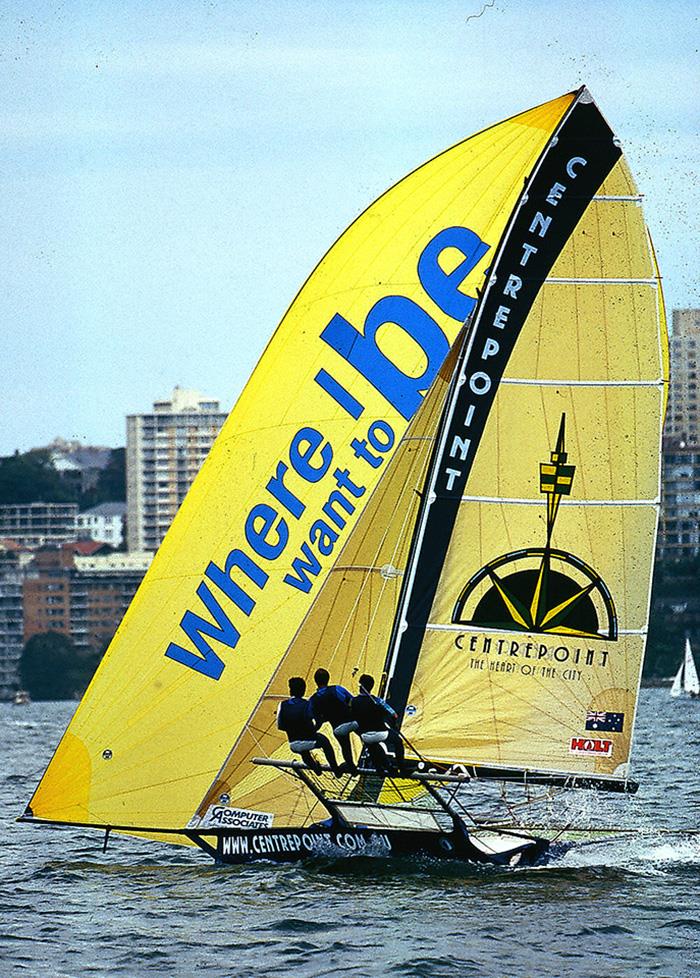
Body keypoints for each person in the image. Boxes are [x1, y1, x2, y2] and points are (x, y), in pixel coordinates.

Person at [277, 676, 340, 775]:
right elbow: (318, 720)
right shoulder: (307, 704)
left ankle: (316, 769)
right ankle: (335, 769)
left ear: (290, 690)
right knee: (325, 742)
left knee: (304, 752)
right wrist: (313, 729)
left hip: (293, 744)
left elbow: (280, 726)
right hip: (310, 739)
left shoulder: (282, 705)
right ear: (303, 690)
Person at [351, 673, 405, 774]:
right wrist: (393, 725)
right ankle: (401, 768)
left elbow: (352, 717)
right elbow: (394, 715)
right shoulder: (377, 701)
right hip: (380, 732)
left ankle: (380, 768)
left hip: (365, 735)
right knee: (397, 741)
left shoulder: (353, 701)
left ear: (360, 686)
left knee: (372, 745)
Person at [309, 668, 359, 774]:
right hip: (353, 721)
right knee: (365, 736)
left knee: (345, 746)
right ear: (328, 678)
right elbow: (353, 702)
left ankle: (351, 767)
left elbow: (318, 721)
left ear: (315, 681)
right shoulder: (337, 689)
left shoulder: (313, 700)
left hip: (338, 728)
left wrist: (312, 731)